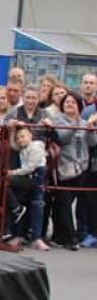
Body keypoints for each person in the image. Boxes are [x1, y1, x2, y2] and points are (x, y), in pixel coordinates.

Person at [44, 92, 97, 250]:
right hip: (63, 167)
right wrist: (75, 126)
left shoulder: (83, 121)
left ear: (79, 106)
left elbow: (92, 143)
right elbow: (62, 138)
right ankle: (70, 237)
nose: (70, 105)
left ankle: (59, 235)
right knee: (64, 202)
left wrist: (90, 129)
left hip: (81, 167)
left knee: (64, 203)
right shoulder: (58, 120)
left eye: (73, 102)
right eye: (67, 102)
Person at [6, 125, 49, 251]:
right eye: (18, 138)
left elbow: (30, 167)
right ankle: (20, 235)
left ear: (31, 135)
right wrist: (12, 130)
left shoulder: (36, 147)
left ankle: (36, 238)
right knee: (24, 204)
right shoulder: (22, 148)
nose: (20, 140)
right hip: (27, 177)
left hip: (35, 176)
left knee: (37, 205)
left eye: (23, 136)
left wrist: (13, 172)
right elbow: (13, 145)